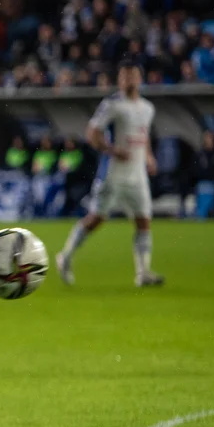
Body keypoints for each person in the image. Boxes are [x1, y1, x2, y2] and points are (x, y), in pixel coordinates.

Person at [56, 59, 164, 287]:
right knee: (96, 219)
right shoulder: (112, 105)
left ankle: (143, 273)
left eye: (132, 75)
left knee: (144, 221)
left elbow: (143, 138)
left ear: (140, 78)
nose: (128, 80)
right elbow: (92, 133)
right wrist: (112, 150)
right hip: (113, 174)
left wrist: (149, 157)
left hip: (138, 175)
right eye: (124, 76)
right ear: (119, 80)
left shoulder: (147, 108)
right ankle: (65, 256)